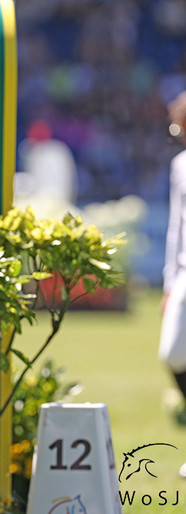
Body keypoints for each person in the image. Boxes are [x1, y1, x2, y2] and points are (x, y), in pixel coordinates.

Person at [160, 91, 186, 479]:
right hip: (184, 274)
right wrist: (168, 281)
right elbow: (176, 226)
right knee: (172, 353)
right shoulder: (181, 165)